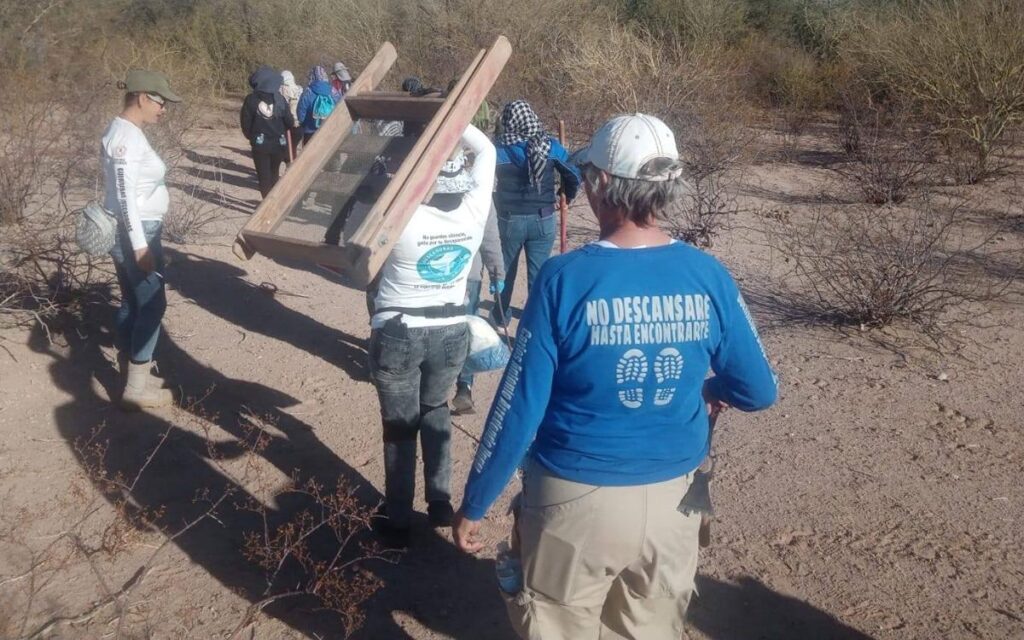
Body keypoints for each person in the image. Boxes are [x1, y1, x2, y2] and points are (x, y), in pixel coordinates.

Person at [453, 114, 778, 639]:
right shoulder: (709, 274)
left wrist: (476, 500)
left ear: (601, 184)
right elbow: (759, 390)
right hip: (677, 499)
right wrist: (711, 388)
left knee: (560, 624)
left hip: (574, 497)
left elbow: (520, 406)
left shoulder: (564, 278)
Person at [369, 125, 496, 548]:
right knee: (436, 409)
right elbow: (486, 149)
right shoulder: (475, 211)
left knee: (400, 428)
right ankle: (439, 501)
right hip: (450, 328)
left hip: (399, 329)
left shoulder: (399, 213)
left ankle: (399, 519)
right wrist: (452, 116)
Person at [101, 70, 182, 410]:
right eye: (161, 102)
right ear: (143, 97)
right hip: (137, 231)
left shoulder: (127, 132)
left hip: (136, 230)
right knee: (152, 304)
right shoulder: (126, 139)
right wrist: (139, 245)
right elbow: (123, 195)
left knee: (132, 301)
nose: (164, 109)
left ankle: (135, 369)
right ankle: (135, 387)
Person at [492, 99, 581, 330]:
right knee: (538, 274)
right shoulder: (550, 147)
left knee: (505, 272)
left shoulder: (498, 149)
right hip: (543, 219)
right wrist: (566, 196)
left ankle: (501, 316)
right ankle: (534, 321)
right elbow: (573, 174)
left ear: (509, 121)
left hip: (508, 220)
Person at [451, 204, 505, 414]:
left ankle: (427, 386)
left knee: (431, 328)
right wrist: (497, 272)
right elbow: (490, 235)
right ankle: (464, 386)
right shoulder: (479, 193)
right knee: (466, 332)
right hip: (468, 271)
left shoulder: (423, 184)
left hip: (430, 273)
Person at [240, 65, 295, 198]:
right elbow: (290, 122)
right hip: (278, 143)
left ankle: (266, 205)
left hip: (260, 144)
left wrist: (252, 137)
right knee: (274, 174)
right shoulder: (280, 99)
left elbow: (245, 123)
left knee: (264, 177)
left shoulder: (251, 100)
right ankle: (274, 204)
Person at [296, 65, 335, 144]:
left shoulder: (308, 92)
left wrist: (302, 123)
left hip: (310, 131)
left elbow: (301, 112)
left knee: (309, 155)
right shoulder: (332, 91)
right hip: (328, 130)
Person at [279, 70, 304, 159]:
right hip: (299, 123)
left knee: (287, 147)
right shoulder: (300, 89)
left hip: (286, 123)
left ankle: (289, 166)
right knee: (293, 146)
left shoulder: (281, 89)